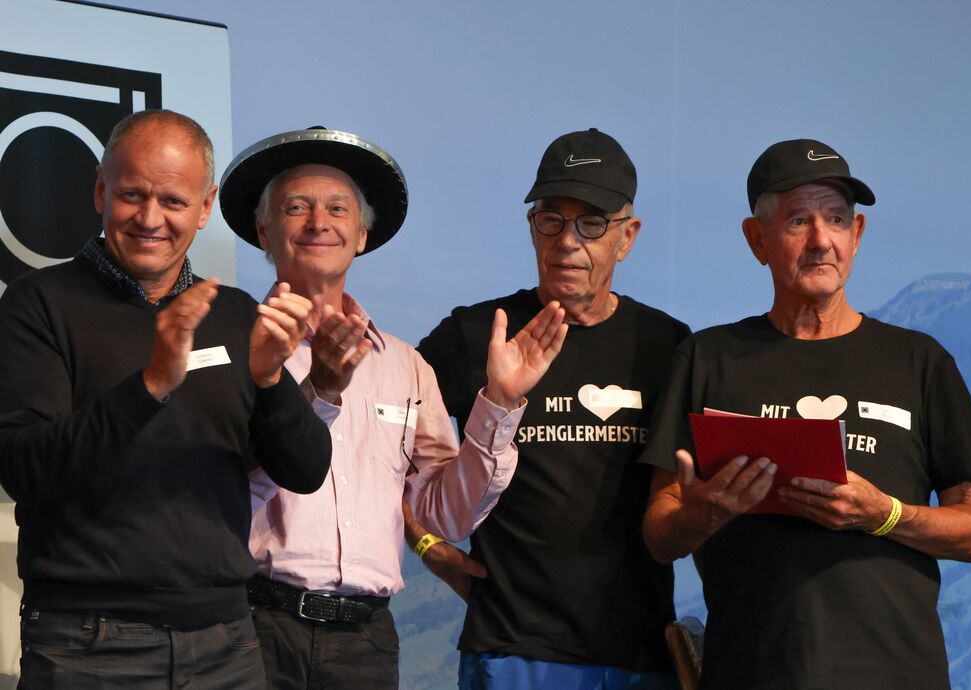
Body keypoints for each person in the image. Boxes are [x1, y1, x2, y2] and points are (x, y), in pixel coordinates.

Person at [641, 138, 971, 689]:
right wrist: (704, 514)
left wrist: (882, 513)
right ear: (756, 239)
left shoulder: (919, 361)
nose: (821, 240)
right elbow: (660, 534)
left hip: (898, 675)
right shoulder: (707, 358)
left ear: (857, 237)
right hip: (751, 674)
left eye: (836, 219)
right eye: (798, 221)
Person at [217, 126, 567, 690]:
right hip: (250, 626)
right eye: (296, 207)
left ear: (362, 234)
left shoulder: (405, 366)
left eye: (337, 209)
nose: (318, 222)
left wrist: (499, 403)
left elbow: (443, 516)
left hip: (367, 642)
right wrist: (321, 392)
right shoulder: (231, 346)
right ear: (263, 229)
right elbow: (218, 490)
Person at [0, 110, 331, 689]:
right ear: (101, 190)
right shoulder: (37, 305)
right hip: (86, 646)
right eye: (132, 194)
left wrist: (271, 379)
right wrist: (149, 385)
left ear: (205, 208)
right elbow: (23, 468)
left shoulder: (234, 314)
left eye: (174, 202)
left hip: (228, 642)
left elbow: (306, 470)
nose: (151, 219)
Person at [416, 128, 690, 689]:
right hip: (512, 649)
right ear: (532, 226)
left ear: (627, 236)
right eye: (551, 219)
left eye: (591, 223)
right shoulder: (475, 334)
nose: (568, 240)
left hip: (640, 653)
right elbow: (378, 443)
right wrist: (424, 540)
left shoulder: (668, 346)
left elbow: (686, 497)